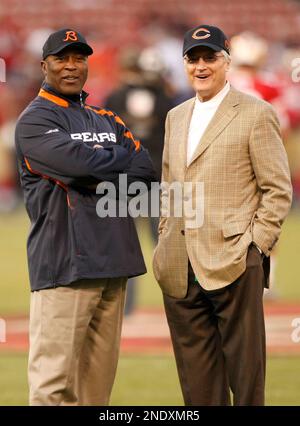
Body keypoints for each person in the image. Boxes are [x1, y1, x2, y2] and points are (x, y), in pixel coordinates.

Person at [152, 24, 292, 406]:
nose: (201, 66)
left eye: (209, 57)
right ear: (184, 64)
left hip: (235, 261)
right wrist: (166, 237)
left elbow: (277, 190)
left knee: (247, 382)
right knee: (197, 387)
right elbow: (168, 186)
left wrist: (255, 247)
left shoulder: (256, 113)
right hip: (181, 266)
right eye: (193, 58)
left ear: (226, 62)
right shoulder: (175, 116)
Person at [15, 28, 156, 406]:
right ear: (45, 65)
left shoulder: (106, 116)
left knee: (97, 392)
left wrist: (99, 168)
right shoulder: (34, 121)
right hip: (65, 265)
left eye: (80, 58)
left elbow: (146, 170)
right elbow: (78, 166)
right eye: (62, 58)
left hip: (114, 263)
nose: (72, 66)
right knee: (53, 387)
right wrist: (111, 165)